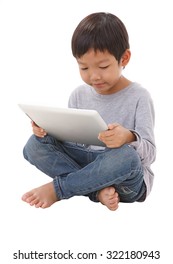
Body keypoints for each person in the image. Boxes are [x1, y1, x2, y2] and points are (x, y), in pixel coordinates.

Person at [21, 12, 156, 211]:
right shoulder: (78, 95)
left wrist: (128, 137)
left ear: (124, 58)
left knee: (127, 157)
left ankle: (60, 190)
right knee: (33, 145)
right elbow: (70, 144)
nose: (94, 76)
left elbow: (150, 154)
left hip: (124, 179)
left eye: (103, 66)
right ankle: (96, 192)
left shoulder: (139, 96)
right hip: (89, 167)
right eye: (84, 68)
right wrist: (48, 132)